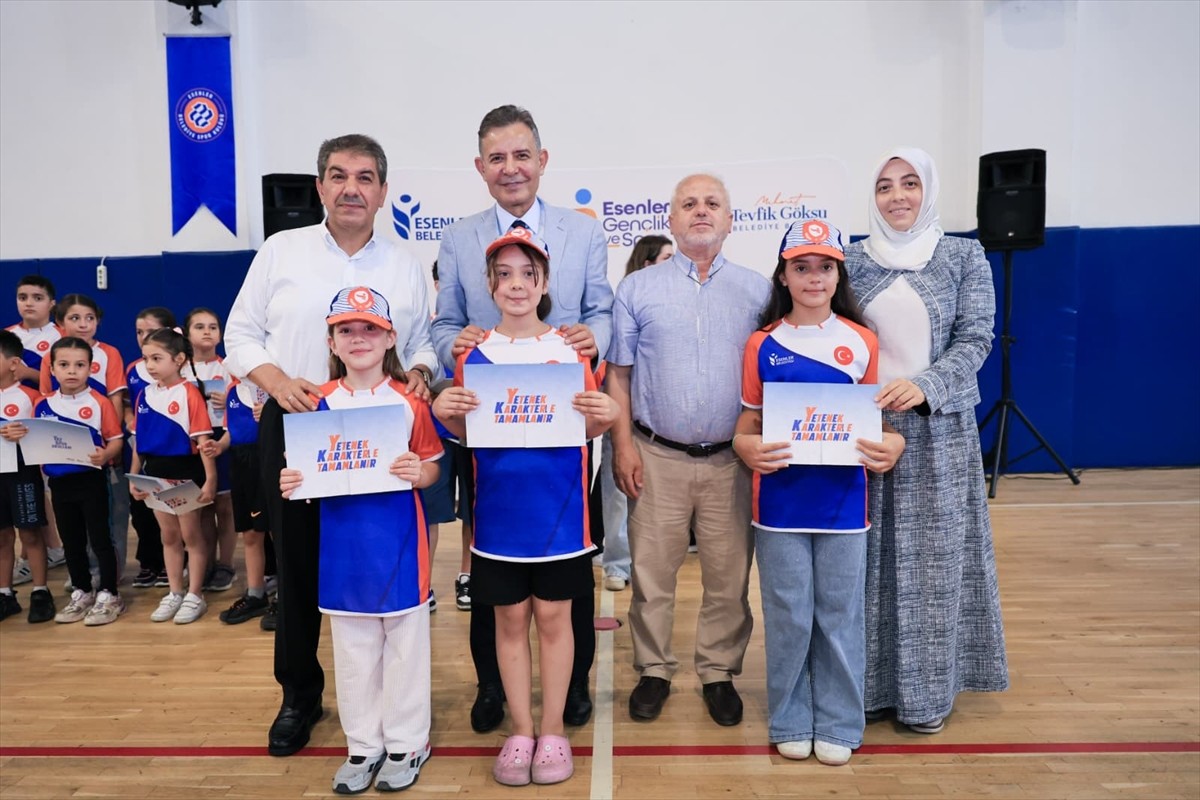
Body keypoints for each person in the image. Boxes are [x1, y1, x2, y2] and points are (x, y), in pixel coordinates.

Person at [224, 133, 439, 757]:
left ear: (382, 191)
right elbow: (240, 335)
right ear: (319, 186)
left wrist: (420, 374)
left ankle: (391, 716)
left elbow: (422, 342)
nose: (351, 187)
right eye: (338, 175)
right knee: (295, 564)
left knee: (373, 564)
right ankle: (299, 695)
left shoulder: (402, 261)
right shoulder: (280, 250)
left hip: (380, 431)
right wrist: (275, 380)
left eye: (365, 177)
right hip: (298, 425)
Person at [433, 104, 613, 733]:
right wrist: (455, 349)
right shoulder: (457, 237)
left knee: (568, 557)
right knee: (494, 561)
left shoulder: (582, 232)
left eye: (521, 155)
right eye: (497, 158)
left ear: (542, 160)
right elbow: (444, 321)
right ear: (481, 167)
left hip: (561, 427)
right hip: (491, 425)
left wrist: (592, 340)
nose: (511, 168)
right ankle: (495, 689)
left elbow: (602, 311)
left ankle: (571, 694)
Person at [845, 146, 1008, 734]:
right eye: (885, 186)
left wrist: (924, 385)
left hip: (939, 432)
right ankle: (863, 691)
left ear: (928, 189)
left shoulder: (964, 255)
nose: (897, 196)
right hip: (861, 432)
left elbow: (977, 338)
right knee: (862, 567)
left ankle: (924, 698)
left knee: (931, 572)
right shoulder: (849, 259)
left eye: (910, 183)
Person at [733, 219, 905, 766]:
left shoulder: (863, 342)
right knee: (788, 616)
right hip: (778, 506)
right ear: (783, 275)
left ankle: (839, 721)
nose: (813, 277)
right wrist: (744, 448)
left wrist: (891, 444)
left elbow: (877, 425)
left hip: (844, 506)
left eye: (824, 267)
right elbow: (747, 423)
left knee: (839, 615)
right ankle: (788, 717)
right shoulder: (761, 345)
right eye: (801, 267)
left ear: (838, 274)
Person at [607, 174, 771, 727]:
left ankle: (718, 672)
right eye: (688, 204)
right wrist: (622, 446)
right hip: (656, 455)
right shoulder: (637, 290)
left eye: (713, 204)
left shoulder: (759, 292)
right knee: (652, 576)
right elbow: (620, 377)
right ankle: (653, 669)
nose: (700, 212)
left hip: (732, 459)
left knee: (728, 578)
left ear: (731, 220)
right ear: (671, 220)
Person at [280, 287, 441, 794]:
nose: (358, 338)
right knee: (352, 646)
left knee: (404, 646)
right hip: (342, 551)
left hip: (398, 545)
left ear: (390, 336)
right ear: (330, 339)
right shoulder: (316, 403)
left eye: (370, 328)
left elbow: (432, 466)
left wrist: (420, 473)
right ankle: (363, 745)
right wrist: (292, 482)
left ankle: (409, 741)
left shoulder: (410, 401)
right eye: (346, 329)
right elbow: (303, 470)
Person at [30, 338, 125, 625]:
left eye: (80, 365)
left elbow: (116, 440)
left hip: (92, 482)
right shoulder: (42, 404)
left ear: (90, 368)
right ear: (52, 368)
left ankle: (109, 593)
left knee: (99, 539)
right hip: (59, 485)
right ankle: (82, 590)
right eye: (64, 365)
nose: (72, 371)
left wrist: (105, 454)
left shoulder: (100, 402)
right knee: (71, 540)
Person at [128, 328, 217, 624]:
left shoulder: (190, 393)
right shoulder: (144, 394)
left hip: (183, 473)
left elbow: (203, 440)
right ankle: (175, 592)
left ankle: (195, 595)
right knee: (168, 536)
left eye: (157, 358)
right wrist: (133, 476)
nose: (150, 365)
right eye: (145, 358)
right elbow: (139, 442)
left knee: (192, 535)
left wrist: (210, 478)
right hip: (154, 475)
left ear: (178, 359)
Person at [600, 235, 673, 592]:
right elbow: (617, 370)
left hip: (662, 425)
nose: (676, 265)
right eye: (666, 258)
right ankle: (616, 563)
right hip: (625, 415)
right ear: (647, 265)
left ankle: (647, 565)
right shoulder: (626, 301)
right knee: (617, 494)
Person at [206, 374, 273, 626]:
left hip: (268, 460)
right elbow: (229, 432)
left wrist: (269, 417)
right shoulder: (233, 390)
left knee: (277, 532)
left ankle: (286, 599)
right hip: (241, 464)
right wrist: (219, 447)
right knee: (251, 533)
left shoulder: (274, 386)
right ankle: (256, 594)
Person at [0, 329, 55, 623]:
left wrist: (26, 432)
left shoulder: (30, 397)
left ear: (13, 363)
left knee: (31, 533)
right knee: (2, 536)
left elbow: (46, 433)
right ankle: (5, 593)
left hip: (22, 473)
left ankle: (40, 590)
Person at [182, 307, 237, 593]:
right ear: (186, 334)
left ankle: (226, 565)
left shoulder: (230, 369)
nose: (207, 331)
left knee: (225, 507)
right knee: (201, 507)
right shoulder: (178, 369)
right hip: (190, 441)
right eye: (199, 326)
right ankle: (205, 564)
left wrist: (228, 401)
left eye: (213, 326)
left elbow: (241, 408)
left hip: (221, 438)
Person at [125, 307, 175, 589]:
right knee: (142, 507)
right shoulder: (133, 369)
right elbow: (125, 404)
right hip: (141, 447)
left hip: (173, 452)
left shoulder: (179, 369)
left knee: (175, 513)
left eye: (151, 332)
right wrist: (130, 418)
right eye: (139, 332)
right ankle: (149, 561)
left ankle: (179, 566)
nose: (143, 337)